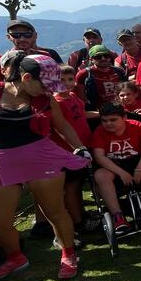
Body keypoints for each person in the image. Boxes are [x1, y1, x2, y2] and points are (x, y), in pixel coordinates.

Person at [0, 53, 89, 281]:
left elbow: (62, 126)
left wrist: (79, 148)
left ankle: (68, 254)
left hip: (41, 159)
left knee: (55, 212)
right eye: (45, 84)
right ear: (27, 77)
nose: (49, 90)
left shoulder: (45, 98)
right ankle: (15, 258)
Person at [92, 104, 141, 231]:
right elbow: (99, 157)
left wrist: (140, 168)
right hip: (114, 166)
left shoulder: (137, 125)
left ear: (124, 117)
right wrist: (121, 173)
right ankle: (118, 216)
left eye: (113, 120)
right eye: (104, 120)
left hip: (137, 162)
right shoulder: (99, 131)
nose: (108, 124)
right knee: (100, 175)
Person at [54, 65, 94, 233]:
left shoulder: (72, 96)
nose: (66, 83)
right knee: (71, 187)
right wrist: (76, 148)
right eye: (61, 80)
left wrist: (103, 113)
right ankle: (78, 221)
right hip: (69, 151)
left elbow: (82, 114)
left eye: (70, 79)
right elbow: (59, 127)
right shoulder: (56, 103)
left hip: (83, 147)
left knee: (78, 185)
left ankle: (82, 214)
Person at [0, 19, 62, 86]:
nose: (22, 39)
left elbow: (57, 81)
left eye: (27, 35)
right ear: (8, 37)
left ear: (35, 36)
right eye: (16, 35)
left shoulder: (45, 56)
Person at [75, 44, 127, 111]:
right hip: (96, 111)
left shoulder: (119, 72)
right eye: (98, 57)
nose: (103, 59)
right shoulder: (84, 74)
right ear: (91, 59)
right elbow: (80, 98)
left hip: (120, 108)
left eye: (106, 56)